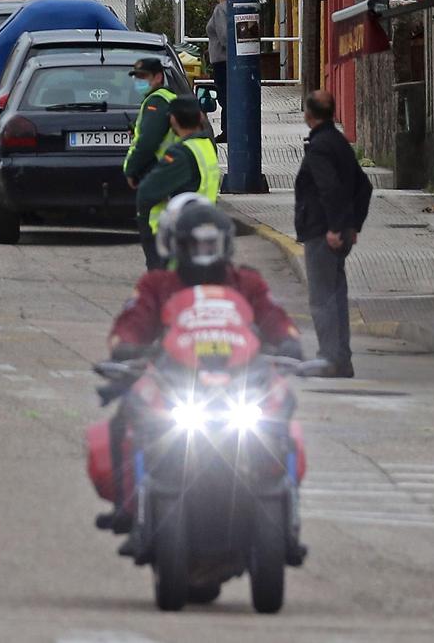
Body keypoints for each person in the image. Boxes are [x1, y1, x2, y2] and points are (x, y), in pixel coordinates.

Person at [98, 195, 302, 531]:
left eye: (211, 244)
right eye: (193, 244)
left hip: (239, 381)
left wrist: (288, 341)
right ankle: (128, 505)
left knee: (281, 414)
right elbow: (134, 319)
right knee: (126, 416)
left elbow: (272, 314)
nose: (203, 253)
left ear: (225, 245)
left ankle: (283, 507)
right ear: (175, 244)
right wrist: (126, 346)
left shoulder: (245, 282)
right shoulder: (158, 284)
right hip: (176, 381)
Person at [295, 89, 373, 378]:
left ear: (308, 114)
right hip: (337, 231)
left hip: (322, 233)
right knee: (337, 296)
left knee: (323, 298)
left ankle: (329, 358)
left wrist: (337, 228)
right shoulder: (338, 141)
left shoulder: (320, 147)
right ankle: (342, 359)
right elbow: (364, 187)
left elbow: (329, 189)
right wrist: (353, 225)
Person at [131, 96, 219, 268]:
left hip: (174, 236)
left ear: (173, 119)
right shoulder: (205, 145)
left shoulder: (180, 154)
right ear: (200, 117)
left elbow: (147, 192)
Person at [122, 56, 177, 202]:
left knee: (156, 218)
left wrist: (131, 169)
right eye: (136, 77)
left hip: (158, 171)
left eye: (143, 76)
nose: (139, 81)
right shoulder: (167, 97)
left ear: (158, 77)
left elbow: (148, 142)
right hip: (168, 171)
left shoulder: (156, 101)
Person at [205, 0, 229, 122]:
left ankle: (226, 129)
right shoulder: (229, 7)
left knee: (224, 96)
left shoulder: (220, 10)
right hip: (226, 60)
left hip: (222, 61)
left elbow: (224, 36)